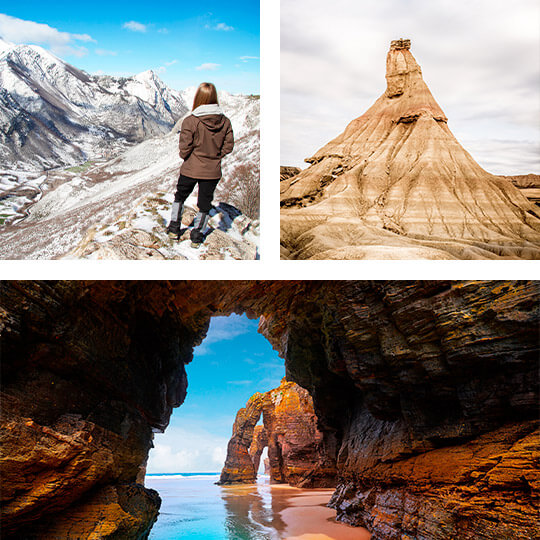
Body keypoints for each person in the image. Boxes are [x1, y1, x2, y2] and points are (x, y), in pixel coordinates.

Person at [167, 82, 234, 245]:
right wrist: (215, 156)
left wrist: (189, 157)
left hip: (190, 168)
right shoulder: (225, 122)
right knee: (204, 203)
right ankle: (197, 236)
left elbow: (184, 148)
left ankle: (174, 228)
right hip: (212, 171)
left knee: (180, 196)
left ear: (198, 98)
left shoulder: (190, 121)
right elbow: (229, 146)